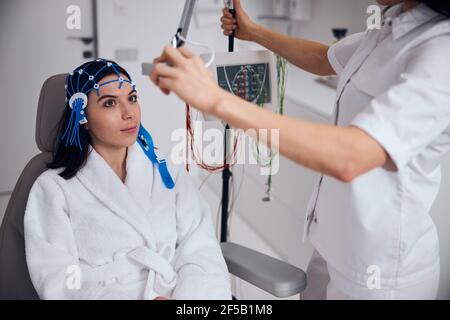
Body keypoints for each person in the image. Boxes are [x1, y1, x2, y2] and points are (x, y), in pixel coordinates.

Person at [150, 0, 450, 299]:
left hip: (382, 269)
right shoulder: (386, 29)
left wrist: (215, 98)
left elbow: (352, 155)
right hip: (334, 241)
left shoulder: (440, 50)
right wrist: (253, 32)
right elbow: (323, 58)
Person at [24, 59, 232, 300]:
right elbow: (58, 280)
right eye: (110, 103)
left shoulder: (166, 171)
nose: (129, 112)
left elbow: (201, 250)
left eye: (132, 98)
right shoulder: (53, 188)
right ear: (82, 116)